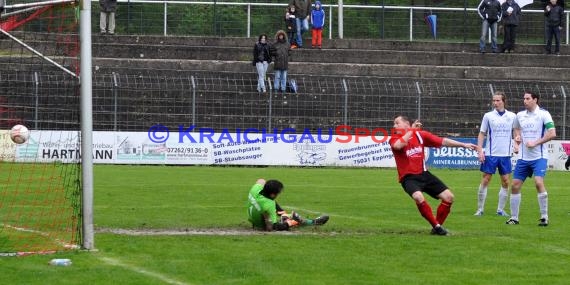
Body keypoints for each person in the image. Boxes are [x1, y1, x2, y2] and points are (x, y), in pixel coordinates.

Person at [389, 116, 478, 235]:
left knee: (449, 197)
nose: (394, 126)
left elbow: (443, 141)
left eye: (397, 123)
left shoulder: (420, 135)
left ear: (406, 124)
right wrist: (412, 131)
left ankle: (436, 228)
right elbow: (398, 146)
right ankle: (437, 227)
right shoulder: (395, 137)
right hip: (408, 178)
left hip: (424, 174)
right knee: (418, 197)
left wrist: (463, 145)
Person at [506, 91, 556, 226]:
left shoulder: (544, 114)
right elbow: (516, 128)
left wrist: (535, 143)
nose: (525, 101)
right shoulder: (520, 115)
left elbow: (552, 133)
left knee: (539, 183)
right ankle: (514, 218)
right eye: (524, 98)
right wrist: (517, 138)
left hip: (539, 156)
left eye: (527, 98)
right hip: (523, 157)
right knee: (515, 186)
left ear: (535, 100)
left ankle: (544, 216)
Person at [474, 92, 517, 217]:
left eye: (498, 100)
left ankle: (500, 210)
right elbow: (482, 133)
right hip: (491, 153)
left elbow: (516, 132)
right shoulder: (488, 116)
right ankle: (480, 209)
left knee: (505, 181)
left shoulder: (512, 116)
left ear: (503, 101)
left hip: (505, 155)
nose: (495, 103)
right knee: (486, 179)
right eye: (494, 100)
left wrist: (516, 143)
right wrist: (480, 150)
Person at [247, 179, 329, 231]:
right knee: (292, 220)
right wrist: (289, 223)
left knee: (281, 211)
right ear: (272, 194)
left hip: (253, 217)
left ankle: (283, 214)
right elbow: (272, 227)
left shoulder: (255, 189)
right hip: (261, 224)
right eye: (278, 192)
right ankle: (313, 222)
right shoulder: (269, 205)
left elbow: (260, 180)